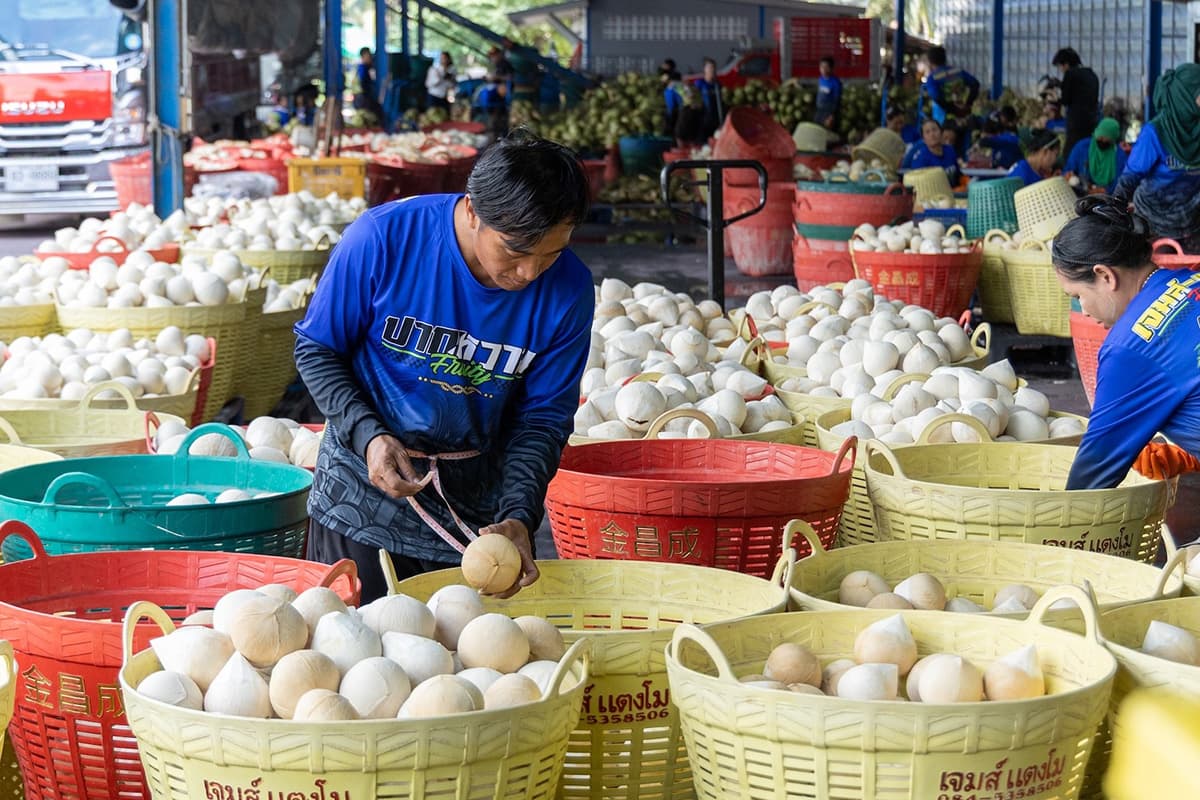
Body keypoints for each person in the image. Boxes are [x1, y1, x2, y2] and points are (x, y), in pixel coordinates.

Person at [294, 130, 594, 603]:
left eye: (551, 254)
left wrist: (518, 514)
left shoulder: (570, 290)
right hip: (362, 490)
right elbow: (317, 349)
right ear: (473, 210)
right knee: (352, 657)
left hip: (475, 506)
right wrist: (368, 436)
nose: (530, 274)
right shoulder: (383, 239)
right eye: (515, 251)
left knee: (458, 666)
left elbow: (542, 421)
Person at [1051, 196, 1200, 489]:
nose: (1085, 310)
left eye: (1077, 296)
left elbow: (1090, 479)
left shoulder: (1129, 349)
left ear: (1105, 275)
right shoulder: (1191, 280)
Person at [1112, 64, 1200, 253]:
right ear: (1184, 98)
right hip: (1154, 222)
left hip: (1192, 221)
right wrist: (1114, 213)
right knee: (1163, 277)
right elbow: (1130, 177)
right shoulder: (1155, 133)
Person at [1052, 47, 1101, 156]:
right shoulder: (1091, 74)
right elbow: (1081, 92)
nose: (1061, 70)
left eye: (1060, 66)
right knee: (1086, 150)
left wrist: (1056, 98)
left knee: (1070, 152)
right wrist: (1061, 85)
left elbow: (1066, 99)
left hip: (1076, 122)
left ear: (1066, 64)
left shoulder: (1070, 74)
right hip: (1092, 121)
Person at [1063, 117, 1127, 194]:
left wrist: (1106, 191)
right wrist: (1068, 175)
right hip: (1080, 193)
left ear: (1113, 139)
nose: (1102, 140)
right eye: (1100, 136)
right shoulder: (1083, 147)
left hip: (1107, 197)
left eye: (1106, 138)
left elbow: (1121, 181)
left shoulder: (1119, 155)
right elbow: (1069, 168)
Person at [919, 46, 980, 125]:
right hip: (964, 114)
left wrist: (954, 110)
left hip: (943, 118)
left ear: (930, 62)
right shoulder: (957, 71)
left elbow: (936, 97)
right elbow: (975, 84)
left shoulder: (932, 78)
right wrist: (968, 104)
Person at [902, 118, 960, 182]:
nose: (932, 134)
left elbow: (958, 175)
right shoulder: (920, 159)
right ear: (923, 139)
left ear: (941, 133)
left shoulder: (950, 150)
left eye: (934, 130)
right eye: (927, 132)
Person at [693, 57, 724, 141]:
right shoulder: (699, 84)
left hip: (715, 120)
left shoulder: (717, 85)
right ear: (705, 69)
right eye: (710, 68)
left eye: (714, 67)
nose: (712, 70)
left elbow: (721, 103)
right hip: (703, 120)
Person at [813, 56, 842, 129]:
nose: (823, 69)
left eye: (826, 67)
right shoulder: (820, 79)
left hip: (828, 112)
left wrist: (832, 115)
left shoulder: (835, 82)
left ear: (831, 68)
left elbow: (836, 100)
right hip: (819, 110)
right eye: (822, 67)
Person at [353, 47, 383, 119]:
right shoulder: (363, 69)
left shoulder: (368, 68)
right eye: (368, 55)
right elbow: (363, 84)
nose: (370, 57)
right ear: (363, 56)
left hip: (363, 97)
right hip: (361, 98)